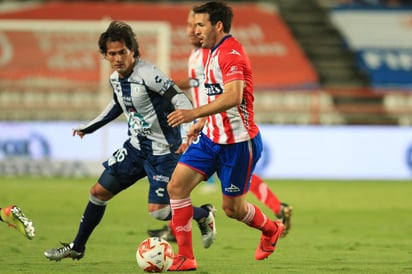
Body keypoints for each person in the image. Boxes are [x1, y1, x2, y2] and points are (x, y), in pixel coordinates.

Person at [43, 20, 216, 262]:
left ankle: (203, 214)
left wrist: (188, 129)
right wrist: (89, 128)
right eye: (111, 53)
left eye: (122, 52)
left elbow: (179, 98)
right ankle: (77, 246)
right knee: (98, 192)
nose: (117, 58)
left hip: (164, 152)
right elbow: (117, 105)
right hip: (135, 149)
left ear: (132, 51)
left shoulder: (149, 75)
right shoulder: (115, 78)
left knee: (160, 212)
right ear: (105, 55)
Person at [147, 9, 292, 243]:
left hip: (233, 137)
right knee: (177, 186)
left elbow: (232, 95)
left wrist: (195, 114)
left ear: (218, 26)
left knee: (233, 206)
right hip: (208, 131)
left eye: (199, 24)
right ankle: (185, 251)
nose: (193, 30)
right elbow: (203, 87)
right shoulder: (204, 55)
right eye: (191, 25)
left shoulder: (226, 53)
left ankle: (272, 222)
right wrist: (201, 121)